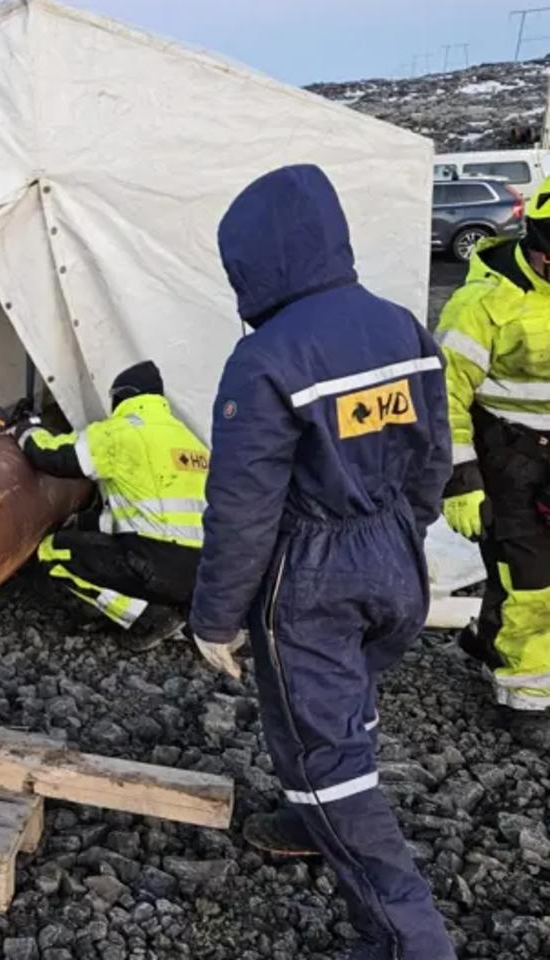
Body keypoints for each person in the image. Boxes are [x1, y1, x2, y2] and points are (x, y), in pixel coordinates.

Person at [192, 164, 454, 960]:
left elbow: (243, 507)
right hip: (393, 557)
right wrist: (399, 533)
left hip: (313, 574)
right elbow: (433, 458)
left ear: (255, 261)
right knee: (350, 696)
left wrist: (214, 617)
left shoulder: (266, 359)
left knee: (321, 749)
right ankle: (310, 824)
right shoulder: (402, 325)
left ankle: (411, 939)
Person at [435, 176, 550, 748]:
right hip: (507, 455)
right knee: (531, 580)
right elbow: (443, 394)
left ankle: (489, 638)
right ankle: (523, 697)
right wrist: (461, 480)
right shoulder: (483, 304)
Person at [19, 361, 208, 650]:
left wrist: (26, 431)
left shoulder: (122, 432)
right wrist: (87, 522)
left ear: (121, 397)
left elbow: (54, 457)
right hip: (202, 571)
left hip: (154, 565)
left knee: (53, 551)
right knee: (137, 553)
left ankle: (148, 617)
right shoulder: (190, 439)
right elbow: (153, 514)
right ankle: (183, 612)